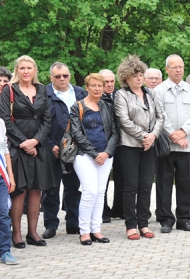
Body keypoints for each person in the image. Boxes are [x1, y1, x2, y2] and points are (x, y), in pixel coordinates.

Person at [0, 56, 53, 249]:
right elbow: (5, 119)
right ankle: (16, 234)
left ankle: (33, 232)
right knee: (19, 190)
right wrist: (24, 142)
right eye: (21, 68)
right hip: (17, 146)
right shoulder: (9, 90)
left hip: (39, 146)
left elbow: (47, 119)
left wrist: (36, 141)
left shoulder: (42, 89)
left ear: (34, 70)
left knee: (36, 190)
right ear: (16, 70)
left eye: (29, 67)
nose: (25, 71)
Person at [115, 56, 164, 240]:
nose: (139, 78)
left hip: (149, 146)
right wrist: (143, 136)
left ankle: (143, 223)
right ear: (126, 77)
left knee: (145, 186)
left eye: (141, 74)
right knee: (131, 186)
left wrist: (153, 136)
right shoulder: (121, 95)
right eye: (135, 75)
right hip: (129, 146)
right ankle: (131, 225)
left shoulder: (151, 94)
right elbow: (124, 121)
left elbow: (161, 117)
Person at [153, 55, 190, 233]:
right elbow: (159, 115)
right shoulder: (158, 90)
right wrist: (174, 135)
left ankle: (184, 219)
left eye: (180, 67)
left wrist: (183, 131)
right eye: (174, 67)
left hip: (187, 145)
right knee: (164, 184)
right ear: (167, 69)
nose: (178, 70)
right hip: (166, 146)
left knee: (186, 184)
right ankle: (165, 220)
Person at [68, 74, 119, 245]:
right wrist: (94, 153)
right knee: (89, 192)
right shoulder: (77, 107)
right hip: (84, 155)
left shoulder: (107, 106)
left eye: (100, 86)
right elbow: (76, 134)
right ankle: (84, 231)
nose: (97, 89)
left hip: (105, 156)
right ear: (87, 87)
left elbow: (114, 132)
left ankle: (96, 229)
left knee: (99, 193)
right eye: (93, 85)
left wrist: (106, 153)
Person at [41, 62, 86, 239]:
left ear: (70, 76)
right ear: (51, 77)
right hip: (52, 148)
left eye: (65, 76)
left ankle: (73, 223)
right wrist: (50, 144)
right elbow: (41, 122)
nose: (62, 79)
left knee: (73, 188)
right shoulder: (44, 94)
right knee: (51, 189)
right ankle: (51, 225)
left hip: (75, 148)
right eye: (57, 76)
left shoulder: (80, 93)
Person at [98, 68, 121, 222]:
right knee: (103, 180)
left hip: (122, 144)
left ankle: (120, 209)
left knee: (122, 178)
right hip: (104, 145)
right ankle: (103, 211)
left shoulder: (120, 95)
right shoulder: (95, 98)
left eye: (112, 81)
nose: (109, 84)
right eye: (106, 82)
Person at [1, 116, 18, 264]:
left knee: (3, 213)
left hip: (1, 176)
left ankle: (5, 250)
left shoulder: (0, 122)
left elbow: (5, 149)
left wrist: (11, 176)